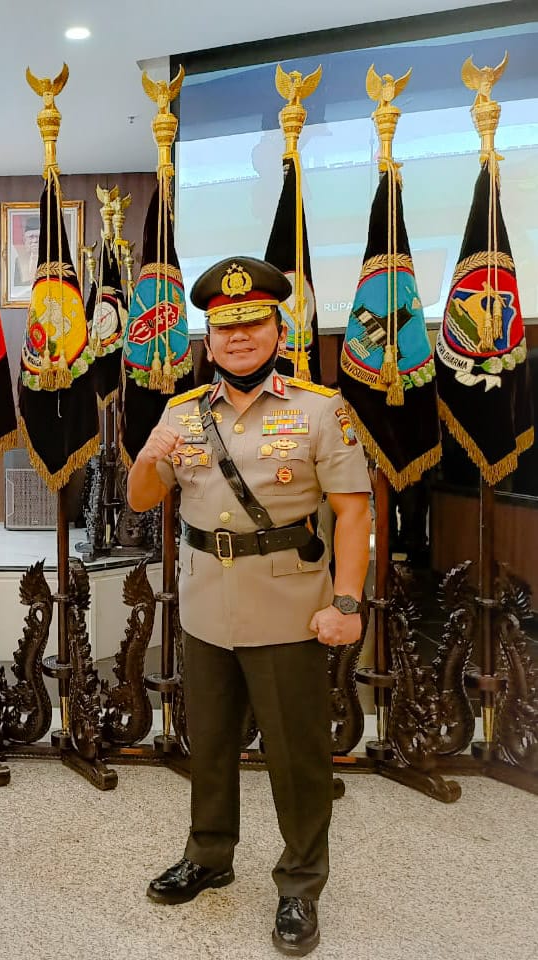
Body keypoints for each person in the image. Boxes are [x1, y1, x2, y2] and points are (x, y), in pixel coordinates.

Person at [127, 256, 371, 957]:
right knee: (208, 742)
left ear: (277, 330)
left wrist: (346, 601)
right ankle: (209, 854)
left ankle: (300, 883)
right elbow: (143, 498)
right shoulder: (181, 413)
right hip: (206, 604)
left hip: (289, 606)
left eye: (252, 323)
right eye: (225, 326)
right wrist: (147, 454)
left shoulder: (319, 409)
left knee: (296, 754)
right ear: (208, 339)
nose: (238, 336)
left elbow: (353, 513)